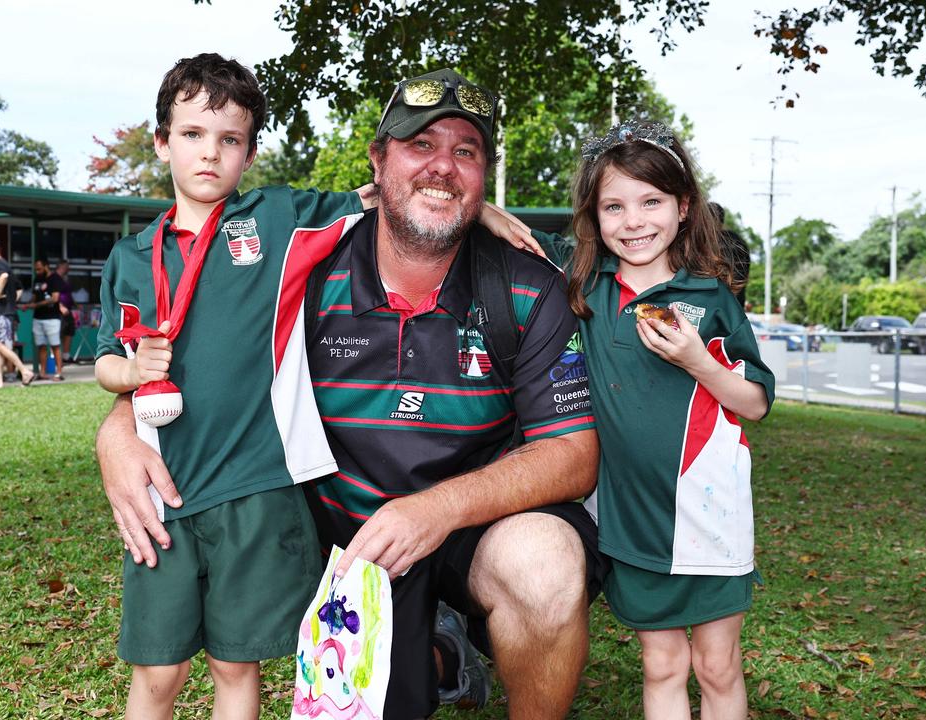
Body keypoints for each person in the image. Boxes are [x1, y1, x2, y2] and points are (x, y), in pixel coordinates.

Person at [97, 68, 603, 720]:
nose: (442, 167)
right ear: (378, 160)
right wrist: (116, 433)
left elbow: (572, 455)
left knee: (545, 564)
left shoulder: (528, 284)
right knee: (381, 690)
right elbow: (201, 350)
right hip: (341, 530)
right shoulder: (304, 264)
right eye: (421, 146)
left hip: (468, 525)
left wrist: (434, 512)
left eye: (465, 152)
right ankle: (440, 654)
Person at [91, 53, 376, 720]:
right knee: (157, 668)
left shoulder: (278, 221)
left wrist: (482, 214)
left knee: (233, 662)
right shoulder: (131, 257)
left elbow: (383, 196)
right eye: (192, 135)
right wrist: (130, 375)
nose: (210, 154)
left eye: (230, 140)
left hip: (254, 482)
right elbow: (105, 360)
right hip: (160, 491)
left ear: (250, 152)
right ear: (162, 142)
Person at [529, 120, 774, 719]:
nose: (633, 221)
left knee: (718, 667)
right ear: (594, 214)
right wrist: (474, 204)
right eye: (614, 206)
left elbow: (756, 402)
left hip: (710, 513)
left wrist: (698, 361)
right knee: (662, 664)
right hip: (634, 520)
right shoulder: (586, 283)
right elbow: (515, 235)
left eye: (651, 202)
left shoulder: (711, 298)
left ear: (683, 206)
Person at [0, 239, 33, 388]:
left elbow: (3, 277)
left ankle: (24, 371)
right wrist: (11, 300)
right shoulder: (4, 265)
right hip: (4, 311)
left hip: (1, 312)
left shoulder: (0, 264)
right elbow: (19, 288)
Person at [21, 258, 66, 380]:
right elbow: (34, 297)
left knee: (55, 345)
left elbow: (55, 298)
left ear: (46, 266)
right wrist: (27, 304)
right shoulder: (37, 279)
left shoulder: (55, 279)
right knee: (41, 346)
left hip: (52, 318)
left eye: (39, 268)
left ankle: (59, 372)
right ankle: (43, 372)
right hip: (38, 317)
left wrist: (35, 305)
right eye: (36, 269)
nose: (37, 271)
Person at [55, 259, 78, 363]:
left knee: (69, 332)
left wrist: (75, 304)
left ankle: (66, 356)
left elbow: (69, 295)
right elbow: (55, 295)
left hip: (68, 310)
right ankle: (57, 357)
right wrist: (60, 306)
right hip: (58, 311)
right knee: (59, 333)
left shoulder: (65, 279)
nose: (68, 269)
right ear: (61, 266)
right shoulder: (55, 278)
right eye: (66, 266)